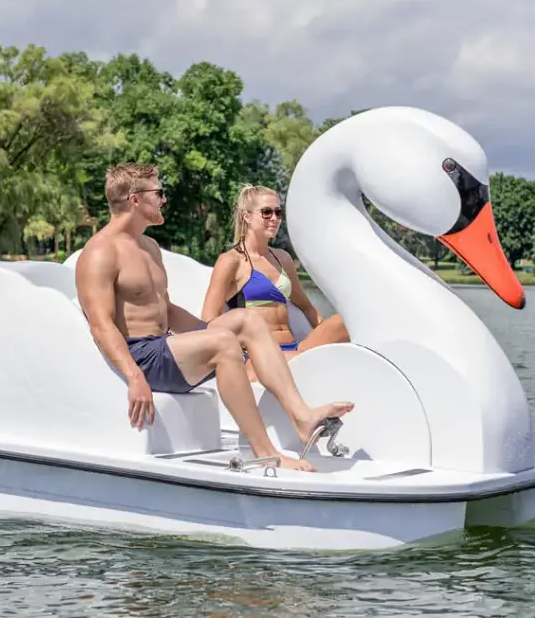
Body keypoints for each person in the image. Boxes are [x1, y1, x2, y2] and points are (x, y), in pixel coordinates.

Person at [74, 164, 354, 473]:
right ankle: (265, 452)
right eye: (159, 193)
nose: (164, 200)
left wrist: (208, 332)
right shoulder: (100, 252)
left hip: (164, 347)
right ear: (135, 199)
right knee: (222, 341)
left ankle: (302, 417)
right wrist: (134, 377)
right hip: (140, 357)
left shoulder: (149, 247)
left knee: (246, 320)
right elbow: (101, 325)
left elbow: (168, 311)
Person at [201, 184, 350, 380]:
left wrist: (324, 333)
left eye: (279, 212)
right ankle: (309, 363)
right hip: (258, 356)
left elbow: (306, 306)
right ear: (246, 216)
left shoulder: (283, 259)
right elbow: (209, 320)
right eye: (266, 212)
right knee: (303, 361)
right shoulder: (231, 261)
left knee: (345, 321)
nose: (275, 218)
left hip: (294, 348)